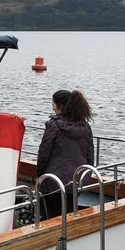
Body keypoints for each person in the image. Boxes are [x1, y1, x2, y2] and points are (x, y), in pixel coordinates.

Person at [36, 89, 94, 219]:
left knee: (54, 215)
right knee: (69, 209)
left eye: (53, 105)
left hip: (54, 181)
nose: (53, 109)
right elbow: (90, 157)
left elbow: (44, 153)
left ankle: (58, 236)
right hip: (77, 180)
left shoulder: (54, 125)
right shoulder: (85, 126)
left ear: (60, 106)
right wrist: (85, 177)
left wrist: (40, 177)